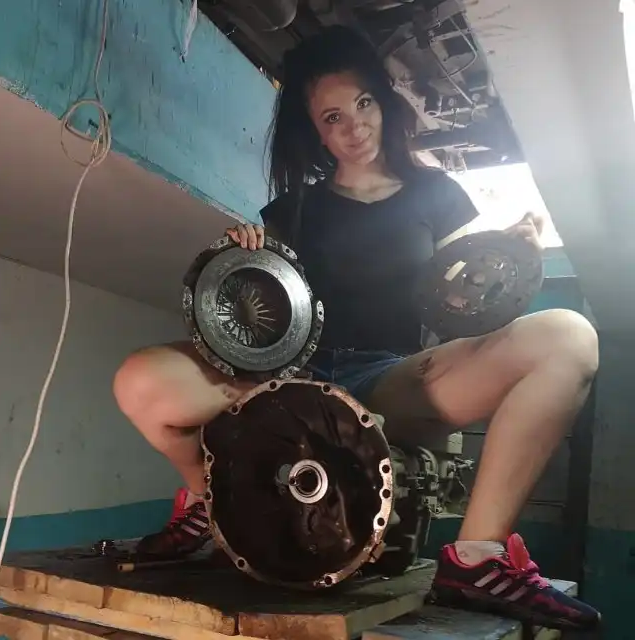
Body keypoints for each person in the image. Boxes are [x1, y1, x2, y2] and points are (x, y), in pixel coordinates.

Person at [113, 25, 600, 630]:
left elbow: (466, 297)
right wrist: (246, 257)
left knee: (567, 337)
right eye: (332, 117)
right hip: (288, 382)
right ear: (315, 131)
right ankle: (216, 507)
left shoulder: (438, 195)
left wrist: (517, 246)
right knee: (139, 380)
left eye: (363, 103)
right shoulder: (291, 209)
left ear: (384, 102)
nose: (354, 127)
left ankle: (476, 559)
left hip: (393, 379)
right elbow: (260, 314)